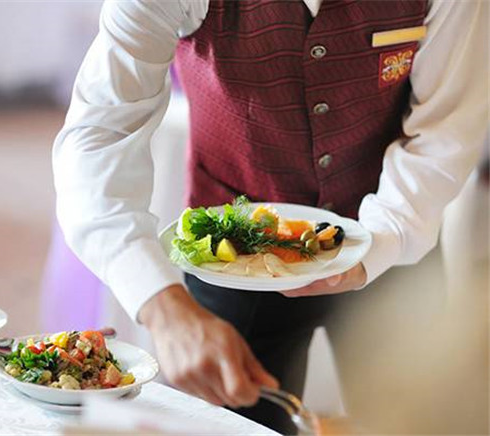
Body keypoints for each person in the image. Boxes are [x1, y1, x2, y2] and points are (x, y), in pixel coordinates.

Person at [53, 0, 488, 433]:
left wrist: (384, 237)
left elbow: (445, 129)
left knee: (420, 423)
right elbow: (99, 137)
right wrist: (163, 306)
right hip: (231, 263)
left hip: (398, 245)